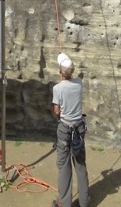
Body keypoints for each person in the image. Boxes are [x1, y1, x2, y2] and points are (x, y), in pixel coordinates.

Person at [51, 53, 90, 207]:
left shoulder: (57, 88)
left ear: (60, 72)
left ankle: (64, 203)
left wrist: (61, 81)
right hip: (79, 127)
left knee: (64, 165)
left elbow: (57, 111)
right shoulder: (79, 83)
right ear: (72, 71)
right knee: (80, 163)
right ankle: (84, 201)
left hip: (65, 128)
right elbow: (71, 82)